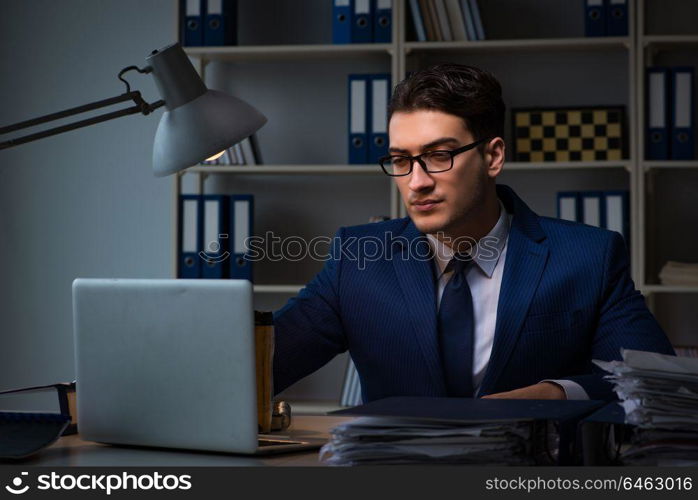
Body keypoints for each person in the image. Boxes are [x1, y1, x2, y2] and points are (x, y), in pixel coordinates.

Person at [272, 63, 674, 402]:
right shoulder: (358, 258)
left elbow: (655, 387)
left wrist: (557, 392)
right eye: (400, 160)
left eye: (438, 156)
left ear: (493, 156)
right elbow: (260, 367)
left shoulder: (589, 257)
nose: (416, 182)